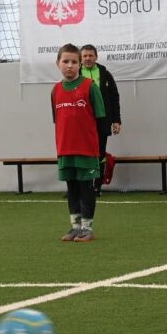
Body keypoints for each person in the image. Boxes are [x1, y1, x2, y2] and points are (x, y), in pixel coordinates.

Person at [52, 43, 105, 242]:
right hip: (65, 150)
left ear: (80, 64)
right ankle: (75, 227)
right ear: (58, 63)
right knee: (72, 188)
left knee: (86, 188)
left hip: (86, 150)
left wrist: (97, 149)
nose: (69, 65)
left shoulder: (90, 87)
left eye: (74, 62)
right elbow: (58, 121)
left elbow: (100, 120)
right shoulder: (55, 90)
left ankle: (87, 228)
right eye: (65, 61)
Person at [80, 45, 121, 195]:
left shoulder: (105, 74)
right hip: (81, 123)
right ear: (80, 58)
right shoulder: (76, 74)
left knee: (100, 153)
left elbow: (114, 98)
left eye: (90, 55)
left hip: (102, 121)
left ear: (96, 57)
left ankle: (97, 186)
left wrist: (116, 120)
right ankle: (82, 187)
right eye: (85, 56)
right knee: (82, 154)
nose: (88, 58)